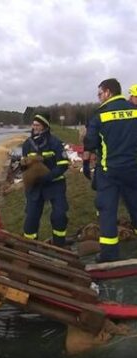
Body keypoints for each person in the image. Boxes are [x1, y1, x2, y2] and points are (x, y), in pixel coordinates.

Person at [83, 78, 137, 262]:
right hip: (133, 170)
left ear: (108, 92)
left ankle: (109, 256)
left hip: (109, 172)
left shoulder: (100, 115)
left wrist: (85, 165)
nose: (99, 98)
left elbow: (90, 144)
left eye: (100, 94)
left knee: (107, 212)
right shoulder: (135, 111)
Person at [21, 113, 70, 247]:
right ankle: (30, 248)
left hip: (55, 185)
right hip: (35, 187)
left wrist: (47, 177)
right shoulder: (27, 144)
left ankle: (59, 245)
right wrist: (24, 168)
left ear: (45, 126)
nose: (34, 127)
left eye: (37, 125)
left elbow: (63, 164)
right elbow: (23, 164)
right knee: (31, 218)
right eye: (33, 124)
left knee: (59, 216)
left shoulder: (55, 143)